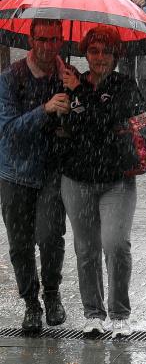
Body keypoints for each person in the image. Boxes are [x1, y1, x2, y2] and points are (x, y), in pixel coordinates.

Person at [59, 26, 145, 338]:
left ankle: (119, 314)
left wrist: (80, 94)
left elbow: (106, 122)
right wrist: (65, 104)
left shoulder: (125, 86)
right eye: (93, 51)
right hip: (76, 178)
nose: (99, 58)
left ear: (116, 55)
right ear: (85, 53)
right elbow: (67, 128)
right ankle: (93, 313)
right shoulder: (71, 82)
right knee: (86, 249)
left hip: (116, 179)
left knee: (116, 244)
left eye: (106, 52)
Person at [0, 18, 69, 333]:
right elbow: (9, 130)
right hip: (14, 173)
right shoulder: (10, 78)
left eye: (54, 39)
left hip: (52, 172)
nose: (48, 46)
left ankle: (52, 293)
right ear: (31, 40)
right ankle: (31, 303)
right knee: (20, 245)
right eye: (42, 39)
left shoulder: (67, 76)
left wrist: (73, 105)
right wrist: (45, 109)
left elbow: (79, 125)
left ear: (61, 41)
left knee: (50, 235)